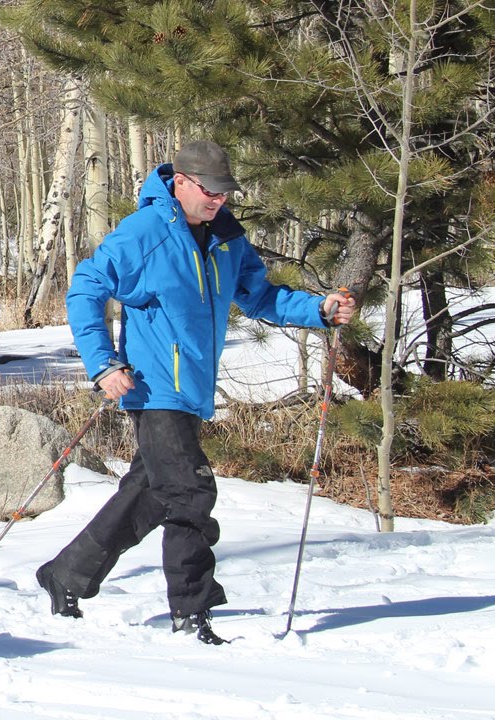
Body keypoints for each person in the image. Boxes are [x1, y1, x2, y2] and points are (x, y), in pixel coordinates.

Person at [36, 140, 355, 644]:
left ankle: (67, 574)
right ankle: (191, 609)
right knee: (190, 491)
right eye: (210, 191)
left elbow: (261, 295)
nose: (219, 201)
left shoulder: (227, 239)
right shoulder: (146, 234)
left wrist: (317, 310)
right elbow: (86, 287)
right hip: (154, 386)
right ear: (180, 182)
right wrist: (102, 364)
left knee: (151, 494)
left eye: (225, 193)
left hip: (193, 391)